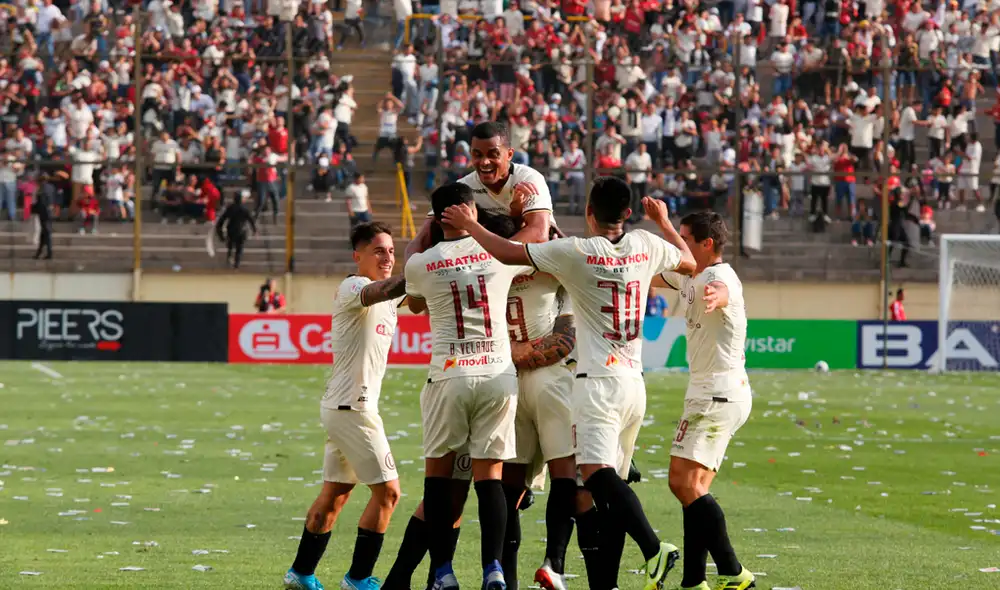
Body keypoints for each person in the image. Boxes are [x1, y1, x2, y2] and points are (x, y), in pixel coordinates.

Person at [441, 176, 698, 590]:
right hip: (633, 380)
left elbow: (509, 251)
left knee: (589, 477)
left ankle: (650, 550)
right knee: (593, 486)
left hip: (592, 381)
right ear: (629, 214)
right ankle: (575, 570)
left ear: (588, 213)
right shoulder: (645, 245)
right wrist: (665, 223)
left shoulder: (574, 252)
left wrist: (472, 225)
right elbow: (689, 261)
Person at [403, 183, 533, 590]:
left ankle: (443, 571)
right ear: (471, 211)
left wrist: (429, 232)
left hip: (449, 375)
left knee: (439, 480)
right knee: (490, 477)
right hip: (497, 373)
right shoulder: (500, 253)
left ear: (437, 217)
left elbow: (415, 301)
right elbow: (536, 244)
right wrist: (516, 215)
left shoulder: (422, 264)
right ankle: (493, 567)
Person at [283, 222, 409, 590]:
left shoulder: (389, 297)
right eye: (378, 251)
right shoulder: (354, 287)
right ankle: (357, 578)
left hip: (343, 406)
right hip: (354, 408)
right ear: (358, 257)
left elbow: (416, 296)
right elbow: (390, 287)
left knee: (335, 494)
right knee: (389, 493)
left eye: (391, 251)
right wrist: (422, 268)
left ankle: (301, 573)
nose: (387, 257)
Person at [650, 211, 755, 590]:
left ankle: (733, 571)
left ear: (706, 243)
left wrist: (717, 298)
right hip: (717, 391)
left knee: (682, 482)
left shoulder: (719, 277)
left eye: (685, 237)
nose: (680, 244)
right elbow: (651, 273)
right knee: (695, 488)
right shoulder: (691, 274)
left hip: (716, 393)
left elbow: (725, 292)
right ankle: (693, 581)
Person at [405, 122, 553, 260]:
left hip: (524, 269)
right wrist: (411, 272)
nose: (484, 162)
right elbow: (423, 238)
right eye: (477, 154)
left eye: (493, 154)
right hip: (484, 271)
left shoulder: (528, 179)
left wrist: (491, 262)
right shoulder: (463, 186)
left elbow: (539, 234)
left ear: (509, 155)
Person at [216, 191, 257, 269]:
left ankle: (229, 257)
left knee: (231, 245)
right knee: (239, 248)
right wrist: (254, 230)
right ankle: (236, 264)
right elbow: (251, 220)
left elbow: (222, 219)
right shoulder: (245, 209)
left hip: (231, 229)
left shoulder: (230, 208)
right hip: (242, 230)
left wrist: (219, 230)